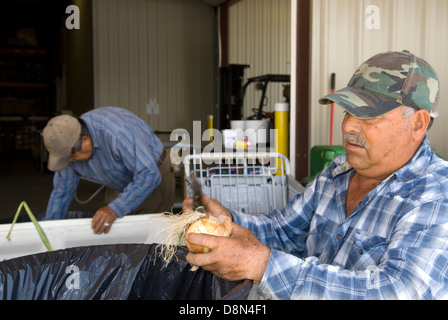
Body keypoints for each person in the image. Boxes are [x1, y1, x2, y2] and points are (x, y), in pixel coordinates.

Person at [182, 50, 448, 299]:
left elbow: (396, 291)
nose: (349, 126)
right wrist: (226, 222)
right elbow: (284, 232)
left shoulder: (436, 197)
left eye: (369, 116)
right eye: (348, 111)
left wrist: (263, 265)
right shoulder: (337, 173)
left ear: (417, 124)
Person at [42, 106, 175, 234]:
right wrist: (48, 229)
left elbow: (150, 175)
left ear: (85, 140)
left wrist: (115, 208)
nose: (70, 161)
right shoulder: (69, 147)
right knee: (117, 235)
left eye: (71, 156)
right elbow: (62, 192)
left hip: (154, 174)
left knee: (152, 235)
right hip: (119, 180)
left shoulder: (116, 132)